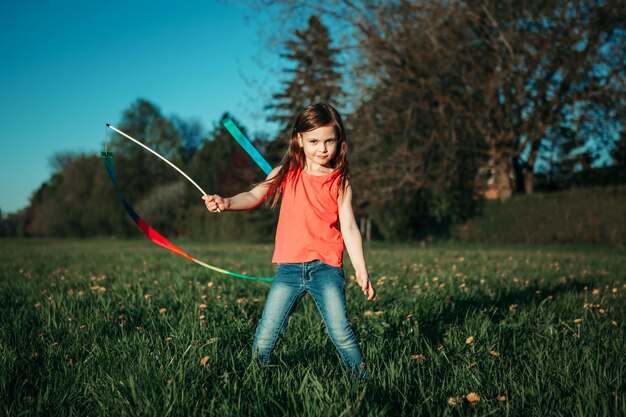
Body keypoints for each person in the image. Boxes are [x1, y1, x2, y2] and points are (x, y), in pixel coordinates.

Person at [203, 102, 376, 379]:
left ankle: (365, 381)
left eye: (330, 140)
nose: (323, 148)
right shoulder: (285, 172)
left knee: (341, 333)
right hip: (289, 269)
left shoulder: (339, 180)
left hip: (326, 269)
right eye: (314, 141)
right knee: (266, 333)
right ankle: (257, 380)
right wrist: (226, 202)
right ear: (299, 140)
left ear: (339, 140)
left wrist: (361, 269)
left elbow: (350, 227)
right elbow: (253, 195)